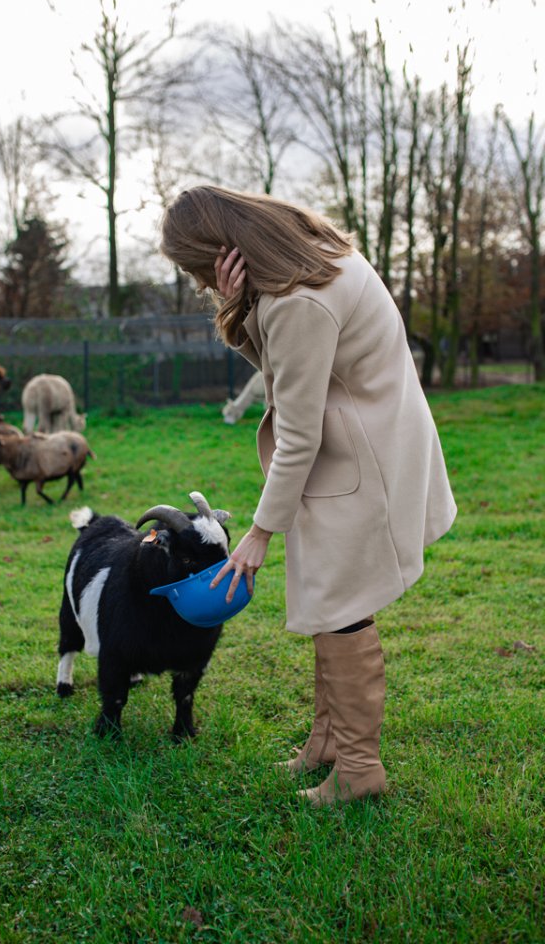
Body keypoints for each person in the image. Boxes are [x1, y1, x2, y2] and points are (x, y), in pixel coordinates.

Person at [160, 185, 457, 806]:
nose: (200, 285)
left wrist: (259, 533)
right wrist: (240, 310)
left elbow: (298, 431)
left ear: (220, 252)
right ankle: (326, 743)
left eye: (197, 273)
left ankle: (357, 770)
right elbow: (290, 373)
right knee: (331, 602)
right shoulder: (316, 259)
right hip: (363, 449)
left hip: (357, 464)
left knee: (343, 610)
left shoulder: (299, 302)